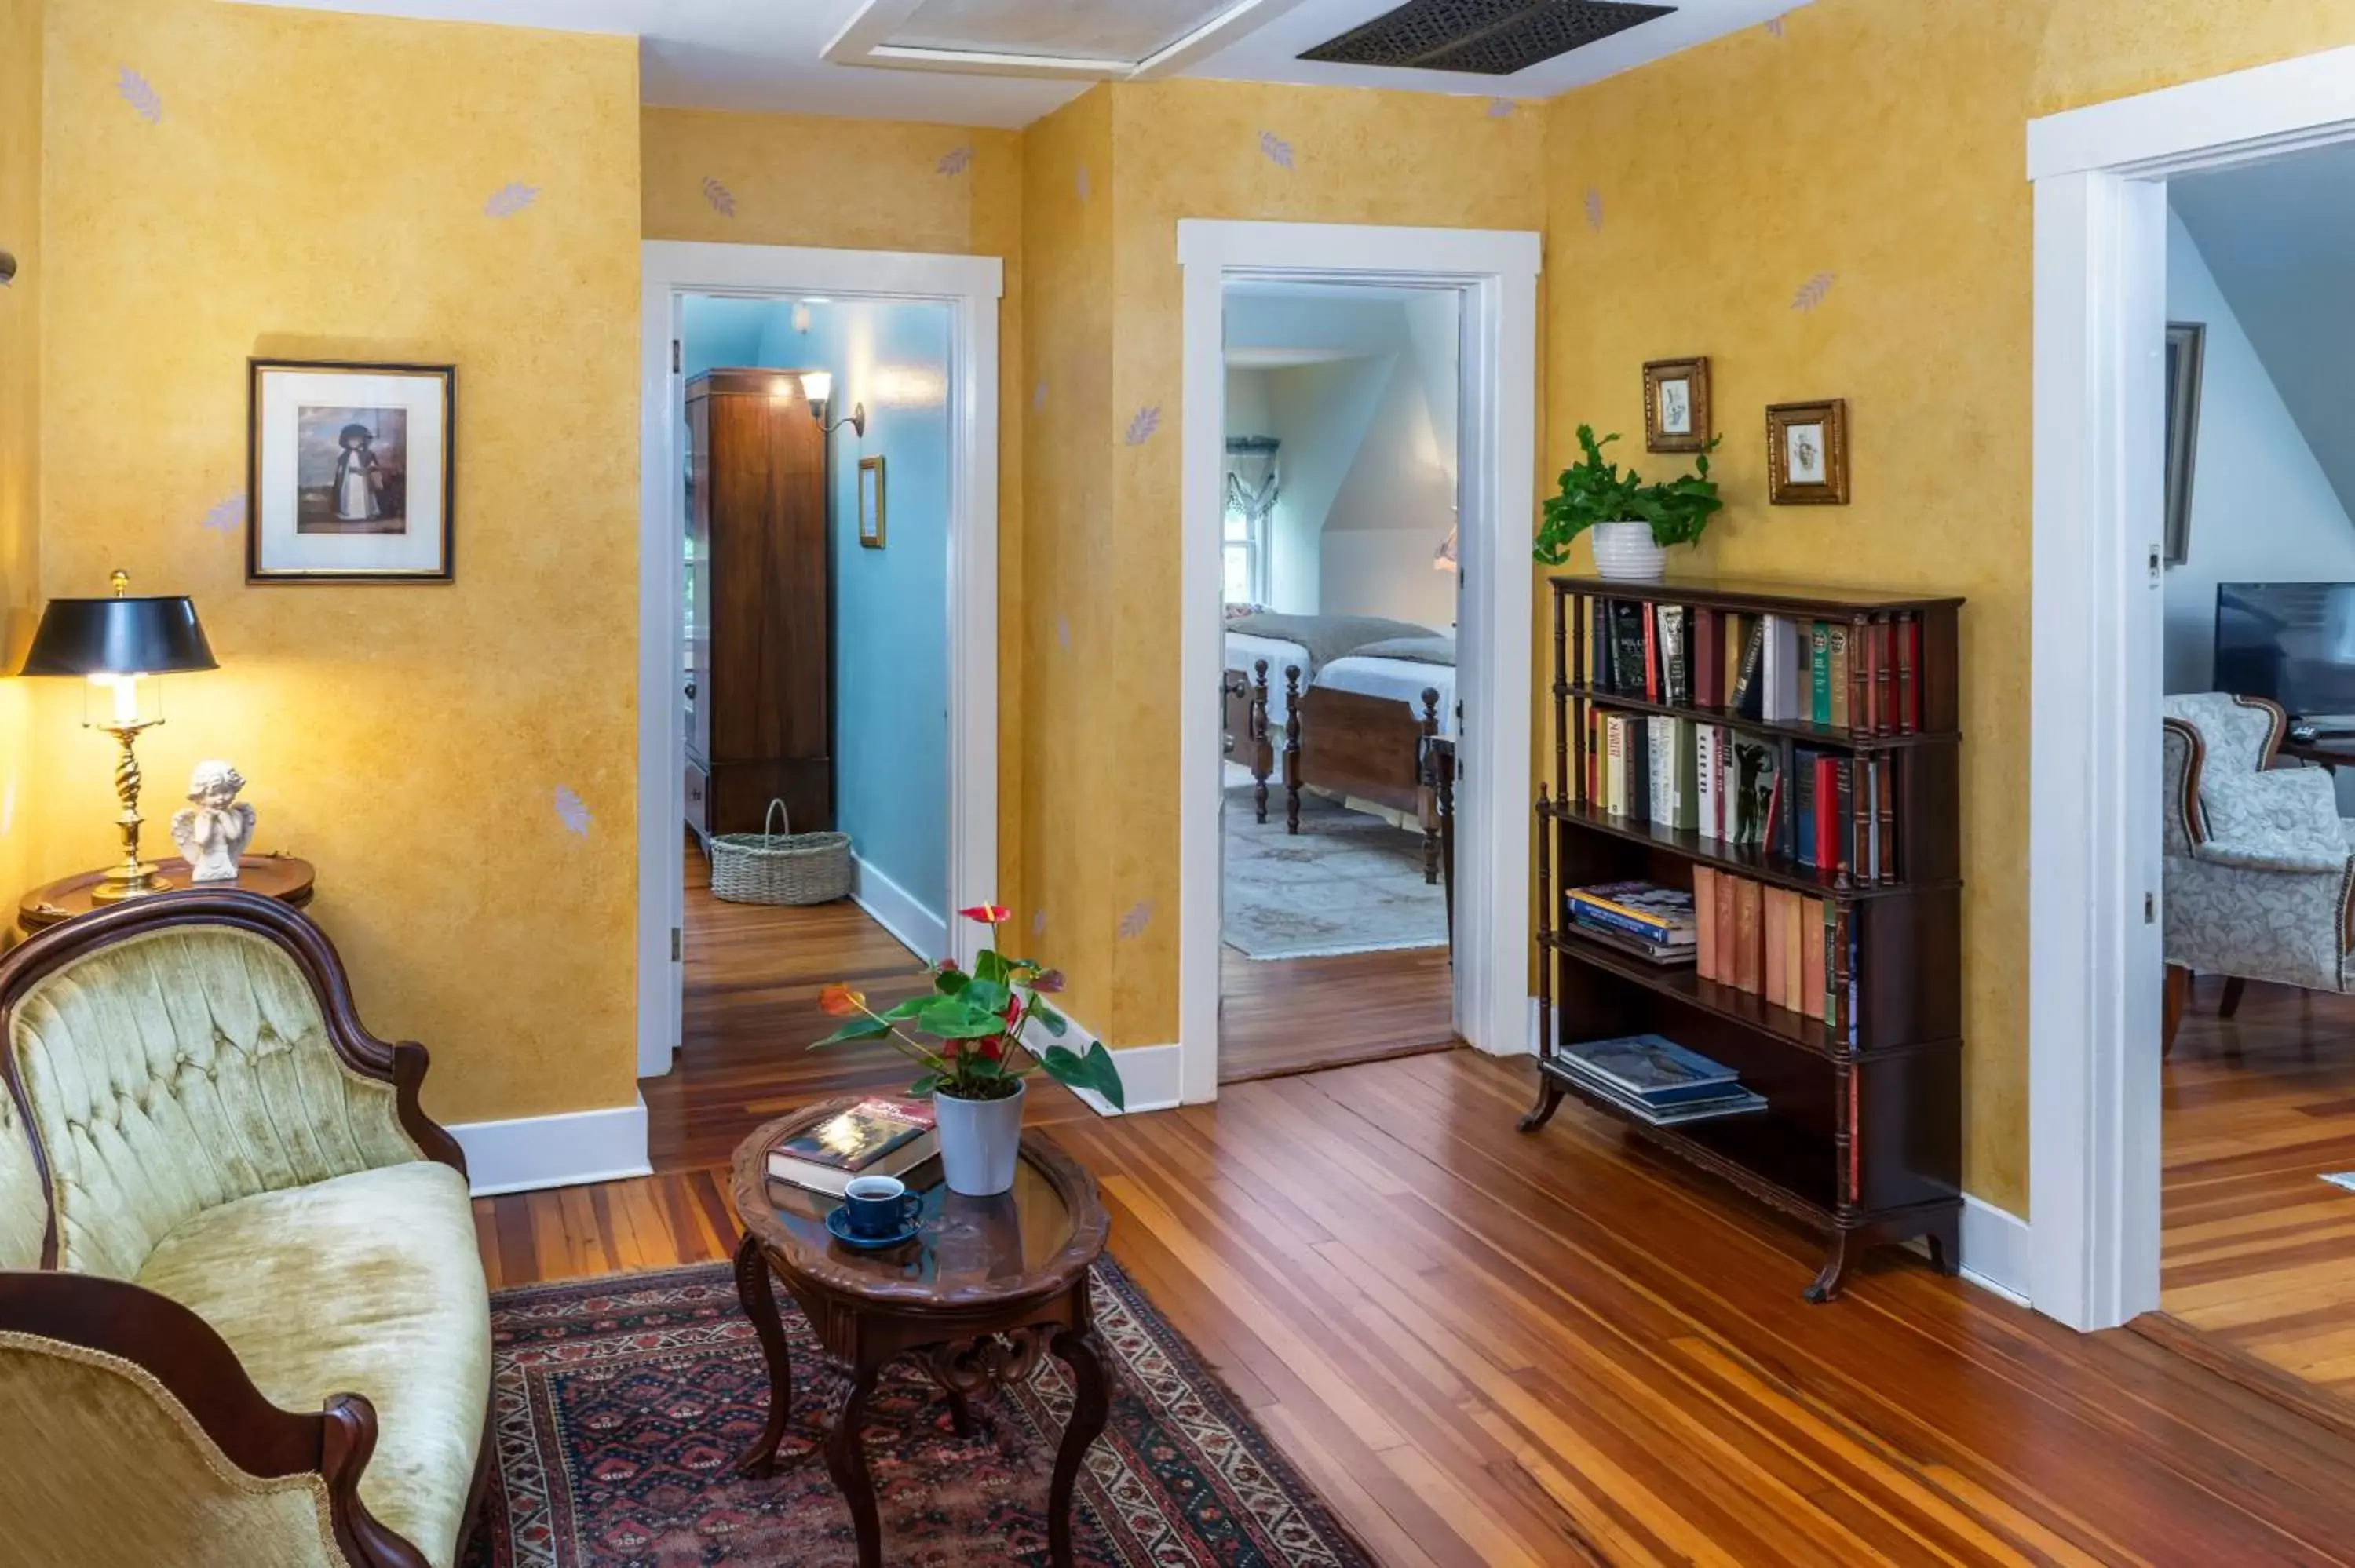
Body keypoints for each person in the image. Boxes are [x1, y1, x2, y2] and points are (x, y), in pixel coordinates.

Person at [334, 421, 383, 523]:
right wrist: (352, 470)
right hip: (350, 479)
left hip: (364, 479)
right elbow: (341, 469)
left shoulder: (368, 453)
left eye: (357, 440)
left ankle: (366, 513)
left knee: (366, 495)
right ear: (346, 441)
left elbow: (374, 466)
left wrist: (367, 470)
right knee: (350, 495)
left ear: (362, 440)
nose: (354, 442)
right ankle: (350, 513)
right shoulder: (345, 455)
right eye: (351, 440)